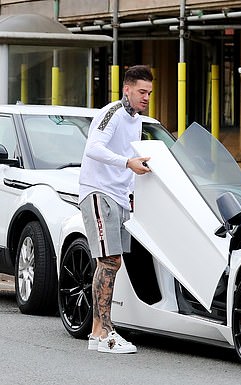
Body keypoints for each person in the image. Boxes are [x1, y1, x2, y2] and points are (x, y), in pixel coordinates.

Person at [78, 65, 153, 354]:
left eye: (149, 93)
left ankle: (98, 333)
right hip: (98, 192)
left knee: (108, 263)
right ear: (127, 89)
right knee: (110, 261)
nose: (146, 97)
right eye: (141, 92)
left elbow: (131, 157)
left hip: (119, 197)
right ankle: (106, 332)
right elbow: (93, 148)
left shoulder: (137, 121)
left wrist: (132, 187)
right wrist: (127, 164)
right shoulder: (112, 113)